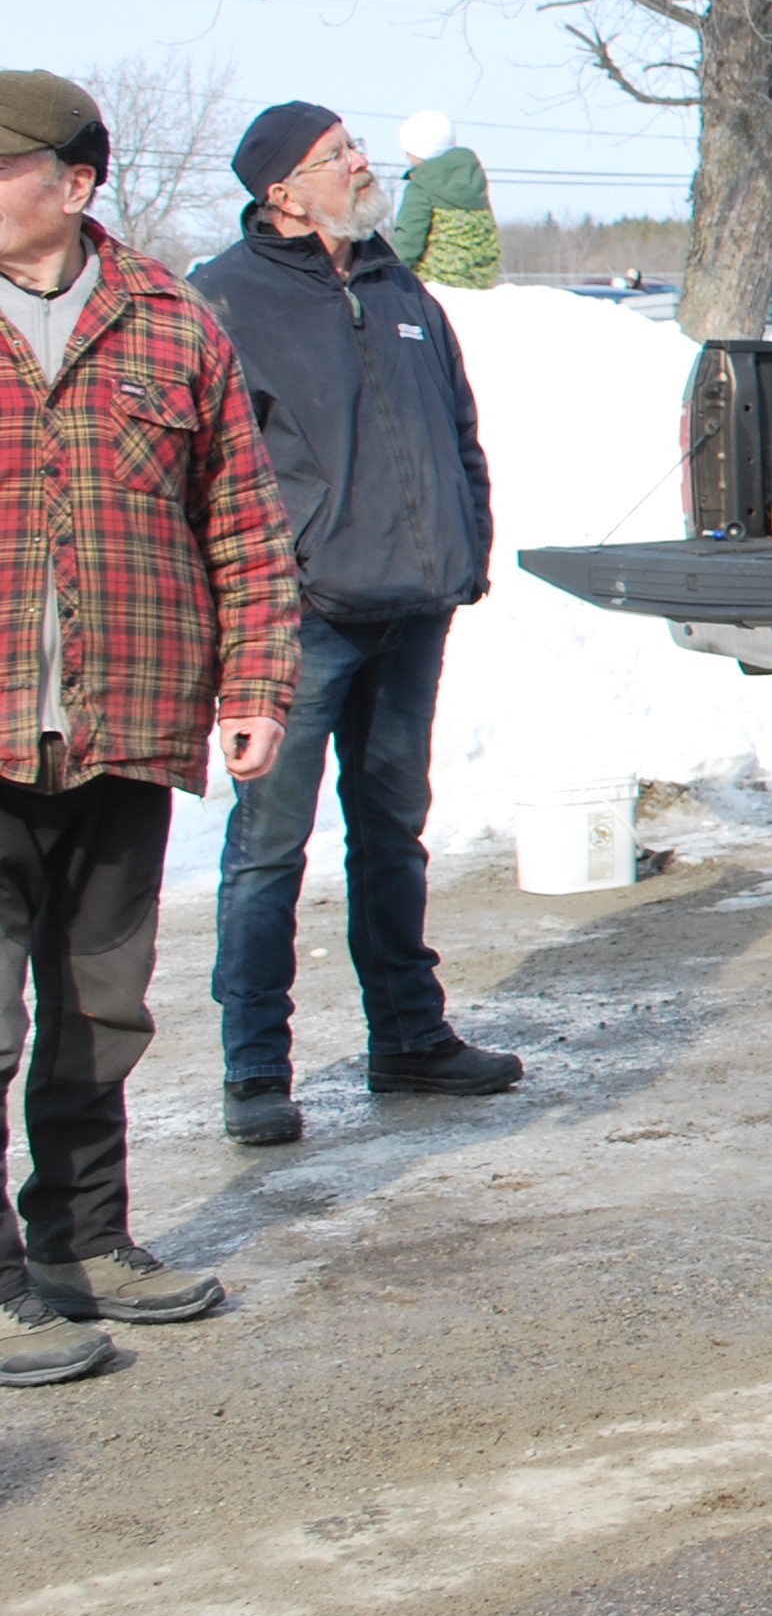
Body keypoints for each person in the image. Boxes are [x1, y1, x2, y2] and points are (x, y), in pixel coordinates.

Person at [0, 71, 299, 1386]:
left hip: (124, 724)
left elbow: (241, 517)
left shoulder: (174, 326)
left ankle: (82, 1242)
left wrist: (255, 689)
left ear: (73, 185)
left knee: (100, 1007)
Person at [190, 103, 521, 1145]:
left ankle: (409, 1039)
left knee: (393, 835)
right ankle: (255, 1072)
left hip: (411, 606)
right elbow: (208, 472)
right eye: (337, 156)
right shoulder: (226, 300)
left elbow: (456, 424)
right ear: (282, 192)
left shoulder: (394, 281)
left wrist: (464, 546)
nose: (361, 162)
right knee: (267, 851)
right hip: (299, 622)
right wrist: (264, 592)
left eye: (356, 145)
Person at [386, 110, 504, 289]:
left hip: (436, 285)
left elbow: (408, 243)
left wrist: (386, 275)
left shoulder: (422, 186)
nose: (406, 155)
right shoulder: (472, 180)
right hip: (480, 283)